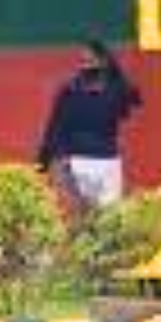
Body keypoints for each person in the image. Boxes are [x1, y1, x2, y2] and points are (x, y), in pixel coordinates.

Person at [36, 39, 142, 212]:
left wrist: (42, 164)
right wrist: (114, 70)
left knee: (84, 218)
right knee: (109, 218)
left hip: (80, 161)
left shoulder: (69, 90)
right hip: (107, 161)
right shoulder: (117, 89)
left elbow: (54, 127)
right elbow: (135, 98)